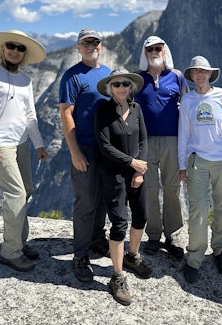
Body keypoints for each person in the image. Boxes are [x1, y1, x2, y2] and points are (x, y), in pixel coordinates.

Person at [0, 30, 48, 272]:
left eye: (20, 48)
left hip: (22, 143)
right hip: (2, 145)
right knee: (16, 194)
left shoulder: (26, 80)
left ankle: (19, 240)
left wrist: (38, 143)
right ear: (3, 48)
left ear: (24, 54)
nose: (15, 51)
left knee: (26, 190)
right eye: (11, 46)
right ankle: (10, 252)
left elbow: (30, 114)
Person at [178, 56, 222, 284]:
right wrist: (182, 164)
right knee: (198, 210)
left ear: (209, 74)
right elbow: (184, 133)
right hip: (197, 161)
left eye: (204, 71)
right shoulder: (187, 100)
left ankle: (220, 251)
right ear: (192, 76)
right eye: (196, 72)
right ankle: (194, 258)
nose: (200, 75)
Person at [95, 69, 153, 306]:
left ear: (131, 87)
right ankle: (117, 277)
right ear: (110, 88)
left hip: (136, 172)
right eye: (116, 84)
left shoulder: (137, 109)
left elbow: (143, 141)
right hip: (114, 174)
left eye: (125, 84)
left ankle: (132, 256)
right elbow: (104, 145)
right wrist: (132, 162)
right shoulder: (103, 110)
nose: (120, 88)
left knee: (141, 217)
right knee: (119, 223)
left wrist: (139, 170)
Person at [59, 29, 111, 282]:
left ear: (100, 45)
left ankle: (97, 239)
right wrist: (75, 151)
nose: (90, 45)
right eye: (85, 43)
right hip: (86, 147)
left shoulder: (109, 73)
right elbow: (66, 114)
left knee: (102, 197)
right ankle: (80, 255)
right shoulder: (72, 76)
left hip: (107, 147)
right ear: (78, 47)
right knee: (86, 202)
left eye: (94, 42)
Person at [135, 36, 188, 259]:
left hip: (173, 140)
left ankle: (173, 234)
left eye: (158, 48)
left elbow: (187, 107)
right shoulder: (137, 79)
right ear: (144, 53)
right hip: (145, 141)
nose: (154, 52)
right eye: (150, 49)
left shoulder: (177, 77)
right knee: (149, 189)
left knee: (172, 187)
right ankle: (154, 235)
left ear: (164, 51)